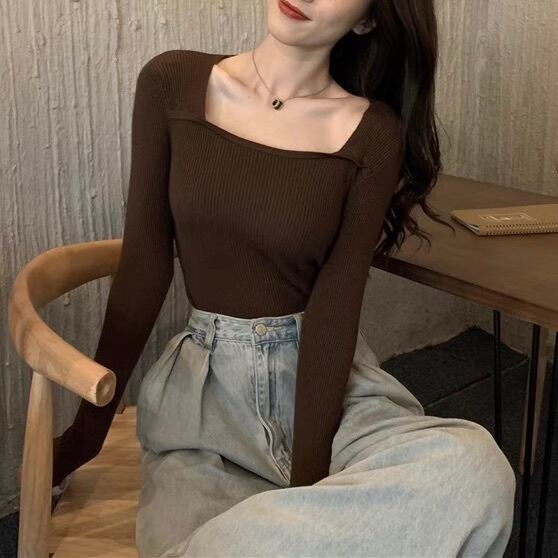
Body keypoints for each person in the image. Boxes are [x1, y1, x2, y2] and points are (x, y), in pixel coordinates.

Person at [51, 0, 516, 556]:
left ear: (367, 19)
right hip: (205, 408)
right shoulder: (171, 80)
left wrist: (308, 488)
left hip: (333, 395)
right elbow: (145, 267)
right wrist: (85, 436)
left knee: (475, 471)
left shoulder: (373, 132)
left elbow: (336, 305)